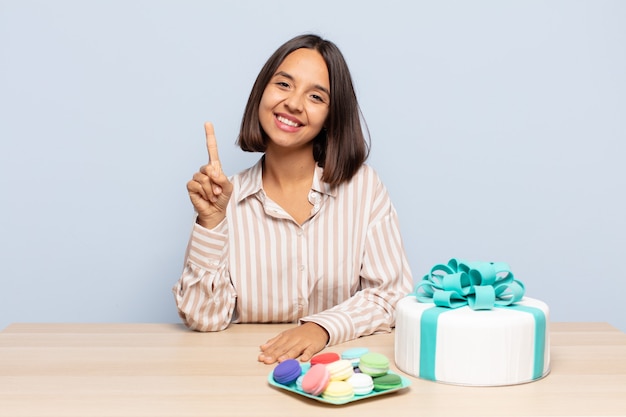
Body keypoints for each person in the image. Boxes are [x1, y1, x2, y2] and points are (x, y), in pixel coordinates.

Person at [173, 34, 413, 365]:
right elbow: (204, 318)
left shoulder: (364, 188)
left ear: (332, 115)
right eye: (284, 85)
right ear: (262, 92)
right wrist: (211, 223)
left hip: (336, 372)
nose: (294, 103)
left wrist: (321, 329)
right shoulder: (225, 199)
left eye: (316, 96)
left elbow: (391, 295)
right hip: (248, 372)